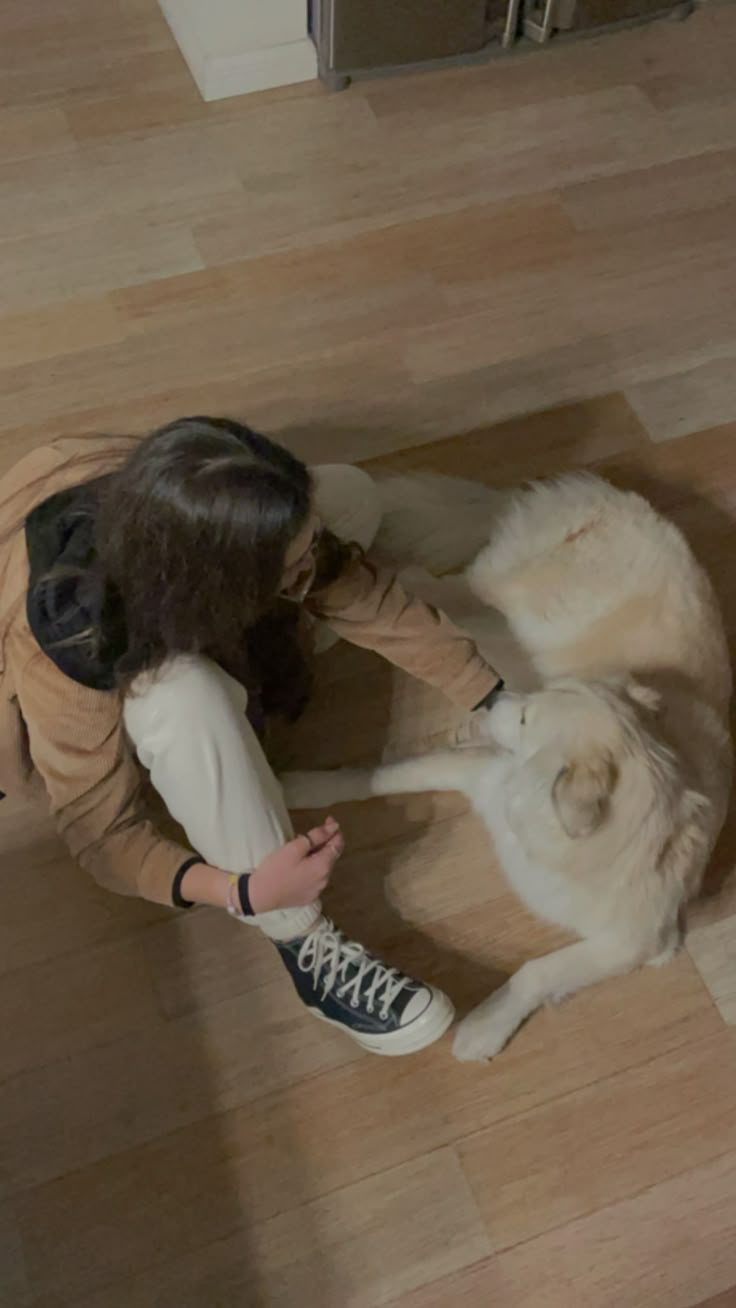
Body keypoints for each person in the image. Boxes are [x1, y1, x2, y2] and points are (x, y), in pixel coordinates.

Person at [0, 417, 504, 1056]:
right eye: (289, 575)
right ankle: (301, 943)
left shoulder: (187, 501)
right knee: (183, 696)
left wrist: (491, 694)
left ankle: (250, 668)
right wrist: (242, 891)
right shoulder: (70, 642)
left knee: (349, 495)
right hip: (67, 700)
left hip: (155, 575)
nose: (310, 575)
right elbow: (101, 835)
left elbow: (351, 585)